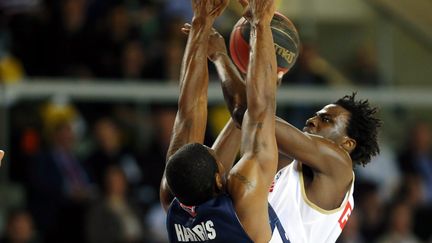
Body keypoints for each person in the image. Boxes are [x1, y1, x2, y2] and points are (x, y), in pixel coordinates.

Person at [200, 2, 381, 242]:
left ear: (347, 144)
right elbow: (246, 118)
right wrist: (260, 79)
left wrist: (224, 54)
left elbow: (248, 114)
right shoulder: (293, 169)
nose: (312, 120)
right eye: (317, 114)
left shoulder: (338, 164)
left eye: (326, 120)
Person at [159, 0, 280, 242]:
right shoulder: (242, 203)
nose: (215, 148)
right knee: (246, 118)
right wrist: (260, 23)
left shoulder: (174, 197)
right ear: (218, 179)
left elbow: (189, 112)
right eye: (212, 152)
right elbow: (260, 112)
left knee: (242, 119)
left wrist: (200, 26)